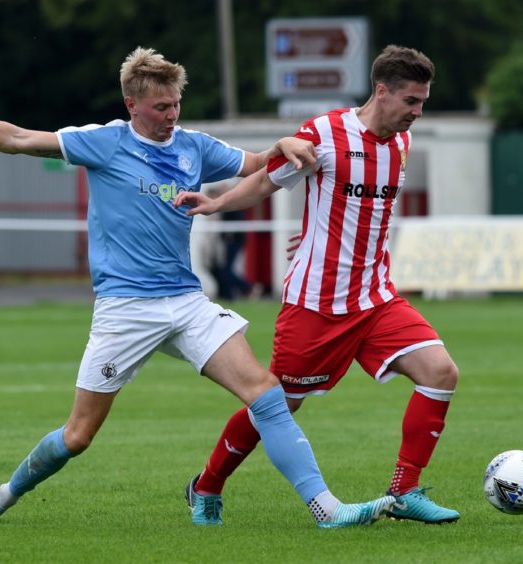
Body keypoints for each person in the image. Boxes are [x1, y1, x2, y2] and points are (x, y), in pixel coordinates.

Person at [0, 47, 396, 528]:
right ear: (131, 104)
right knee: (78, 436)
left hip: (186, 302)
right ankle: (0, 498)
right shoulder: (104, 142)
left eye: (175, 104)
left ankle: (326, 509)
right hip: (124, 310)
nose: (171, 115)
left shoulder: (195, 147)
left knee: (265, 393)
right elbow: (16, 138)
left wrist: (281, 145)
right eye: (159, 107)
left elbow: (256, 165)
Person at [174, 45, 460, 525]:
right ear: (382, 91)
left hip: (375, 297)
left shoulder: (401, 145)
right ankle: (206, 486)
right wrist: (216, 205)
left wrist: (312, 233)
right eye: (411, 100)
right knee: (276, 404)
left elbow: (358, 211)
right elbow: (268, 181)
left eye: (423, 101)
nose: (418, 111)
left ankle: (404, 491)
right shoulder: (324, 133)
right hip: (317, 305)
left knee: (441, 373)